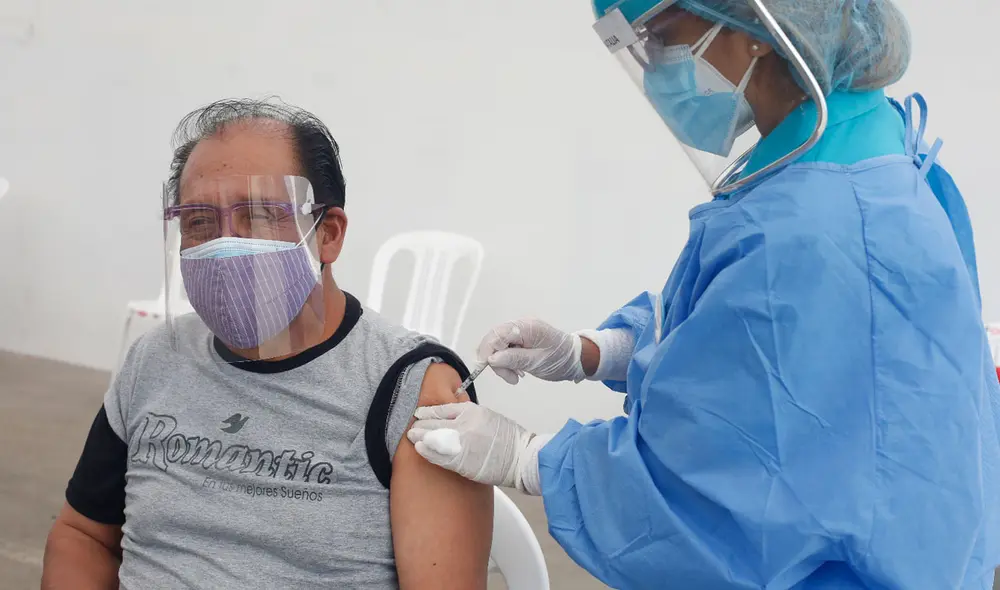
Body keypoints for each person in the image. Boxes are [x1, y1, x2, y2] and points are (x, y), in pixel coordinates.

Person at [408, 1, 1000, 588]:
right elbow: (764, 344)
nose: (655, 66)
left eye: (663, 38)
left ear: (759, 32)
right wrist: (596, 350)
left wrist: (530, 457)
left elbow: (720, 485)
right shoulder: (853, 145)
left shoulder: (811, 227)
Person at [41, 99, 493, 590]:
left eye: (258, 215)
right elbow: (83, 534)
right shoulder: (156, 361)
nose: (225, 243)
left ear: (329, 235)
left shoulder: (413, 392)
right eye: (199, 221)